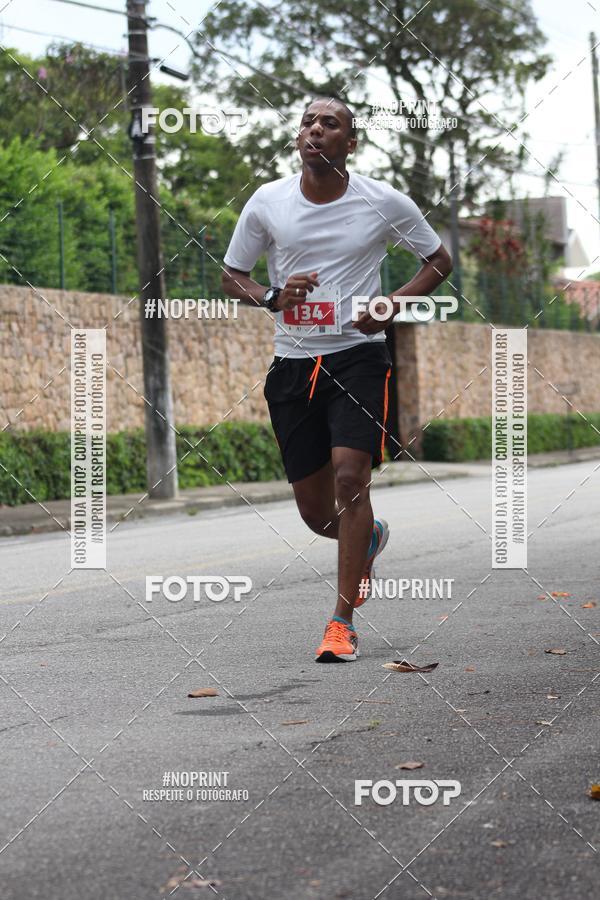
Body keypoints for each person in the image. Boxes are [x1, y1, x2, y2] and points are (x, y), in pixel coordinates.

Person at [222, 97, 452, 662]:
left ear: (350, 143)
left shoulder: (380, 200)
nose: (316, 130)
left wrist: (391, 305)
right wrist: (274, 296)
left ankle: (340, 622)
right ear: (299, 137)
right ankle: (368, 539)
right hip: (294, 363)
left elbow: (439, 260)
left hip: (357, 356)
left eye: (330, 124)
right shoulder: (268, 202)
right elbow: (233, 274)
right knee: (316, 513)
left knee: (352, 480)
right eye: (307, 122)